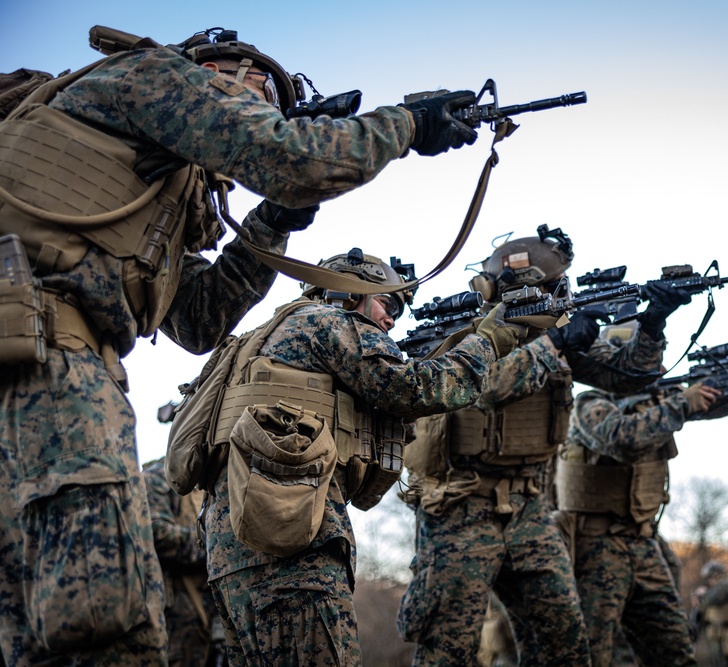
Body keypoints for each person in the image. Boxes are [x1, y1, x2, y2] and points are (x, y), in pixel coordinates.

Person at [0, 24, 479, 665]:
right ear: (224, 70)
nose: (264, 113)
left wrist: (274, 220)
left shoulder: (146, 195)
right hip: (42, 351)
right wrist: (408, 125)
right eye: (263, 96)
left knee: (37, 627)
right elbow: (299, 159)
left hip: (39, 350)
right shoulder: (152, 75)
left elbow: (197, 321)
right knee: (104, 618)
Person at [201, 249, 520, 665]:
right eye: (387, 305)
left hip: (232, 558)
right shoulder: (328, 320)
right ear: (348, 293)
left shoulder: (257, 339)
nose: (390, 321)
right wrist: (491, 338)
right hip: (291, 557)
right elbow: (416, 389)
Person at [397, 227, 691, 666]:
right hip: (460, 505)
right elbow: (488, 386)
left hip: (529, 506)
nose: (559, 295)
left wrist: (652, 324)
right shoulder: (461, 335)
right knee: (448, 647)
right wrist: (554, 343)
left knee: (565, 643)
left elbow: (628, 378)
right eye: (551, 288)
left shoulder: (556, 338)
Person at [555, 320, 728, 667]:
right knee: (588, 653)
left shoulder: (657, 402)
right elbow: (621, 437)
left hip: (643, 543)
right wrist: (681, 404)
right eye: (644, 361)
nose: (658, 368)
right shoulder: (589, 404)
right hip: (594, 545)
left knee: (674, 650)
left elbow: (711, 403)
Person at [142, 457, 224, 667]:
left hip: (218, 614)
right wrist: (215, 544)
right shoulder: (158, 478)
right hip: (181, 615)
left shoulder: (216, 480)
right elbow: (155, 533)